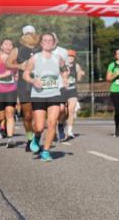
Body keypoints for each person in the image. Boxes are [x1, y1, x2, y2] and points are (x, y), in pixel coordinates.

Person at [22, 32, 67, 162]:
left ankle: (46, 151)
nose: (48, 42)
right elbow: (25, 74)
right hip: (38, 94)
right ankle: (36, 138)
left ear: (53, 43)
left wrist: (64, 79)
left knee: (52, 122)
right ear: (41, 43)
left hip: (54, 94)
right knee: (40, 127)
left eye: (50, 40)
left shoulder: (58, 58)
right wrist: (32, 81)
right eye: (45, 40)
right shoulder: (34, 58)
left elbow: (64, 70)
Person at [8, 25, 40, 151]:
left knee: (39, 116)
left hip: (39, 85)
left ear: (35, 35)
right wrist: (19, 66)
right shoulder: (17, 50)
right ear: (23, 36)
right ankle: (30, 139)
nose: (29, 36)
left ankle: (36, 140)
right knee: (27, 116)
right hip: (24, 85)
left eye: (31, 33)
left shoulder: (41, 49)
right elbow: (8, 63)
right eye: (27, 34)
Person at [59, 49, 84, 140]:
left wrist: (80, 74)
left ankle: (69, 131)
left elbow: (79, 78)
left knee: (71, 110)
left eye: (72, 57)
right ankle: (61, 124)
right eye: (69, 56)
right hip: (62, 90)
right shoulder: (62, 66)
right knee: (63, 111)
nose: (70, 58)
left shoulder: (76, 66)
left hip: (72, 90)